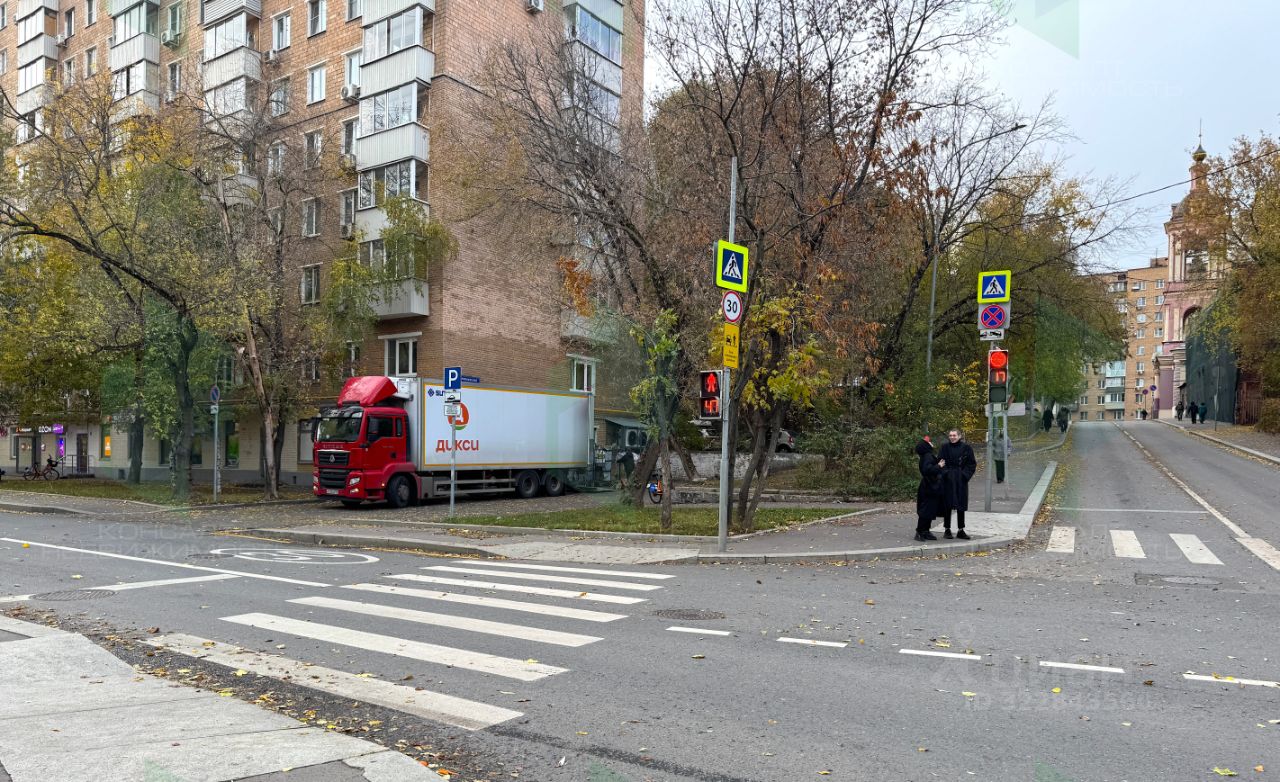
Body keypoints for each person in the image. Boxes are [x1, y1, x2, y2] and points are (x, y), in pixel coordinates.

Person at [938, 428, 977, 540]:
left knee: (961, 504)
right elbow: (940, 461)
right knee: (947, 504)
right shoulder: (944, 447)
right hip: (948, 479)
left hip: (961, 479)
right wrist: (945, 473)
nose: (952, 437)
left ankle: (961, 529)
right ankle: (947, 529)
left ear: (959, 436)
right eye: (950, 435)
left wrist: (964, 476)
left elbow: (971, 464)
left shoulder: (966, 448)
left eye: (954, 435)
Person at [913, 438, 942, 542]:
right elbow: (927, 470)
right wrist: (939, 466)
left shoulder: (927, 455)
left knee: (930, 509)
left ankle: (925, 531)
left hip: (930, 485)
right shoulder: (927, 456)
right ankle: (919, 532)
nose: (931, 443)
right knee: (926, 510)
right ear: (925, 446)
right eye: (929, 442)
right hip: (929, 486)